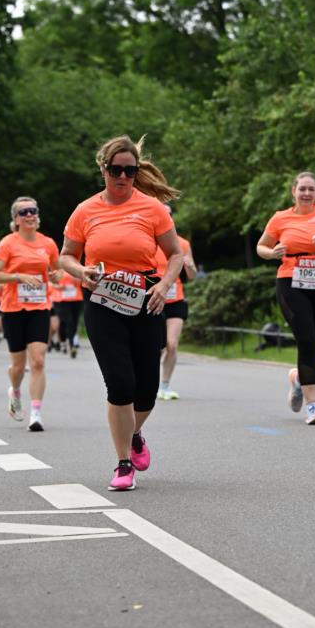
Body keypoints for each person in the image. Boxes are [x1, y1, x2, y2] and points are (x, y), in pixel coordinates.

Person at [60, 134, 183, 491]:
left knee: (147, 387)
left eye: (130, 171)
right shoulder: (85, 211)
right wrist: (81, 271)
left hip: (146, 299)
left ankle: (135, 433)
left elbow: (175, 254)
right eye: (116, 169)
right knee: (120, 382)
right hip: (102, 301)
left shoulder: (152, 209)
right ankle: (123, 463)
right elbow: (66, 255)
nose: (123, 177)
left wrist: (162, 286)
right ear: (104, 169)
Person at [256, 171, 315, 424]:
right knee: (307, 339)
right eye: (302, 189)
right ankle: (313, 406)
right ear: (294, 192)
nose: (306, 193)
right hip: (290, 280)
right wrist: (272, 252)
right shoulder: (280, 218)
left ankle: (299, 378)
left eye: (311, 189)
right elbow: (261, 247)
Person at [0, 196, 61, 432]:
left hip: (39, 307)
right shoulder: (8, 243)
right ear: (16, 219)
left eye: (33, 211)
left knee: (38, 360)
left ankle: (36, 413)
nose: (29, 215)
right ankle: (15, 391)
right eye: (24, 212)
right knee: (18, 367)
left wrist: (55, 276)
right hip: (13, 309)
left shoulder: (48, 243)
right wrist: (19, 277)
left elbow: (57, 271)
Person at [155, 216, 196, 399]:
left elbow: (192, 276)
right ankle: (149, 383)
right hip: (153, 299)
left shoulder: (182, 244)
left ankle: (165, 385)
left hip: (175, 299)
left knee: (171, 344)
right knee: (155, 347)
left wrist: (190, 266)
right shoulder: (147, 241)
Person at [50, 273, 83, 357]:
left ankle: (67, 343)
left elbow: (84, 280)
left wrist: (80, 279)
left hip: (76, 298)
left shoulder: (76, 267)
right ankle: (69, 344)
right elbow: (49, 282)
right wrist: (57, 287)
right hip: (62, 300)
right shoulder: (58, 269)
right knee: (68, 321)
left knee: (74, 322)